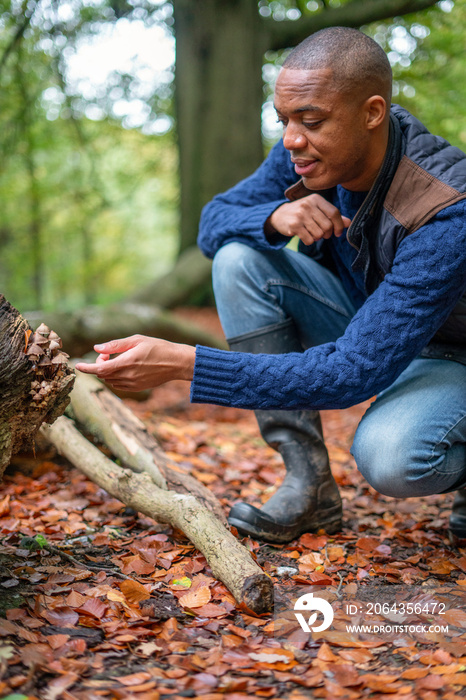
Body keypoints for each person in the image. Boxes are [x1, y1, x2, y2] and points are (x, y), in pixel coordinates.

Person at [76, 27, 466, 544]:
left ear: (372, 113)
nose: (290, 139)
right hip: (370, 326)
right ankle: (307, 484)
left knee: (392, 457)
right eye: (284, 119)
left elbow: (352, 374)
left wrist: (183, 364)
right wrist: (275, 215)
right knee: (239, 257)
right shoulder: (306, 154)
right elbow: (213, 223)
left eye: (311, 120)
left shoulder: (445, 211)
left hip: (451, 354)